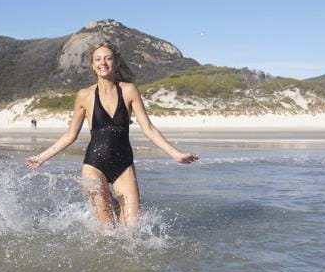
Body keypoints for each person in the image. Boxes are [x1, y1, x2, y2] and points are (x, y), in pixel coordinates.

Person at [26, 42, 198, 226]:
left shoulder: (129, 90)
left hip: (123, 165)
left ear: (116, 63)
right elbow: (71, 134)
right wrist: (42, 157)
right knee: (106, 229)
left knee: (132, 227)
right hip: (94, 166)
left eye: (108, 58)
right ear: (92, 65)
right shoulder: (85, 95)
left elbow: (148, 128)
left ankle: (115, 207)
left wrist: (176, 154)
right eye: (98, 59)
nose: (103, 63)